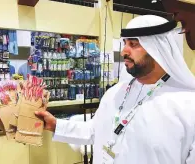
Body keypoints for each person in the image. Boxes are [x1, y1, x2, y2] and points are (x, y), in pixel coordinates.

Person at [34, 15, 195, 164]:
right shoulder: (116, 92)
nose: (124, 51)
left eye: (133, 44)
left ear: (158, 49)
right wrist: (56, 125)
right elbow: (94, 130)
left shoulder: (188, 105)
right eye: (125, 43)